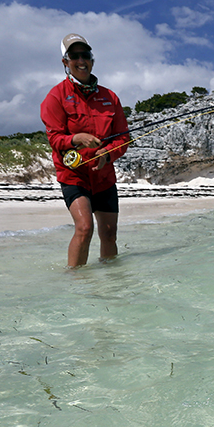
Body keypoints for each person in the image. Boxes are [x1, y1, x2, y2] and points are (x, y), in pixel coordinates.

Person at [40, 34, 131, 267]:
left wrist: (107, 154)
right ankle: (75, 280)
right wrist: (76, 139)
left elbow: (123, 138)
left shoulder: (110, 97)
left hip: (104, 176)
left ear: (92, 59)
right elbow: (55, 138)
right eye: (74, 56)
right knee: (84, 228)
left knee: (109, 233)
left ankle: (111, 281)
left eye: (85, 55)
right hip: (74, 175)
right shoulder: (55, 96)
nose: (81, 61)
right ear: (65, 62)